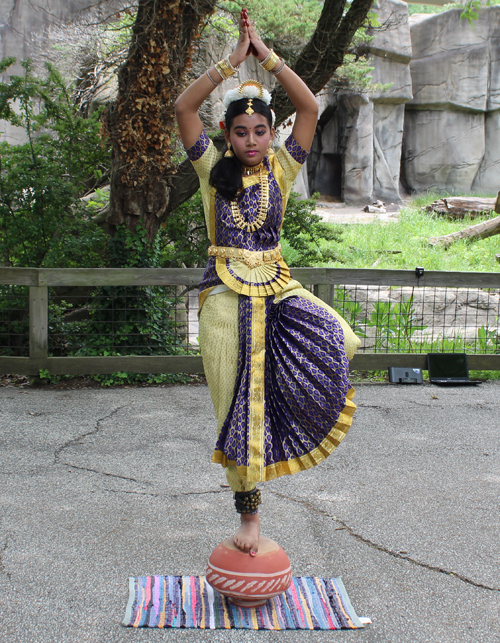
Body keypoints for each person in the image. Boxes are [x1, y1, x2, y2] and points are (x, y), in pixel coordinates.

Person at [174, 10, 360, 558]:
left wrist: (268, 57)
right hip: (224, 304)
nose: (252, 140)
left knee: (342, 338)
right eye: (241, 131)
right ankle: (249, 518)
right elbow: (184, 108)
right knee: (233, 410)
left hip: (278, 290)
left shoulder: (281, 169)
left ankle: (294, 420)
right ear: (227, 135)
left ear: (270, 132)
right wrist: (230, 63)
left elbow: (309, 106)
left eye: (260, 131)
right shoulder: (212, 170)